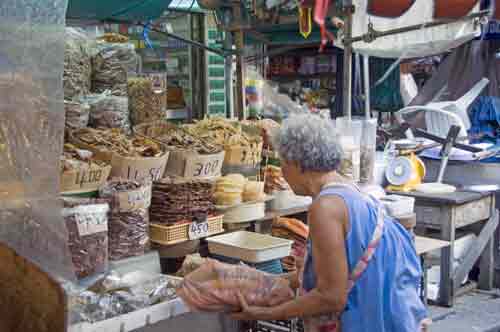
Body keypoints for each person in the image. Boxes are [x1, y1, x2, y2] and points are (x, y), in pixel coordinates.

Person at [232, 114, 430, 332]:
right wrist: (265, 283)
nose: (283, 172)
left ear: (298, 163)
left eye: (283, 163)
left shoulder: (325, 208)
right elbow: (335, 273)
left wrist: (265, 314)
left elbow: (331, 297)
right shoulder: (350, 191)